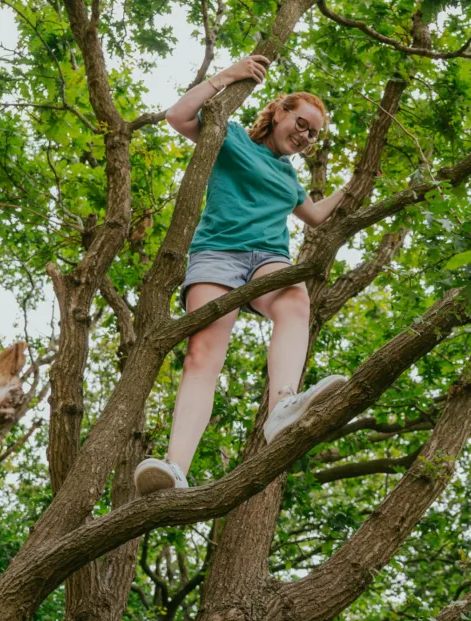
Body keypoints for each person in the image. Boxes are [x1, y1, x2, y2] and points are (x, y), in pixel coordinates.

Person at [134, 55, 350, 495]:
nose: (306, 136)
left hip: (268, 257)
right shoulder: (228, 136)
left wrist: (358, 183)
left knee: (295, 301)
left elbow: (316, 216)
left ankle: (283, 405)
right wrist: (228, 75)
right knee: (203, 357)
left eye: (314, 133)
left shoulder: (290, 179)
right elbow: (178, 116)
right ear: (277, 113)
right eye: (302, 123)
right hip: (217, 254)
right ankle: (175, 468)